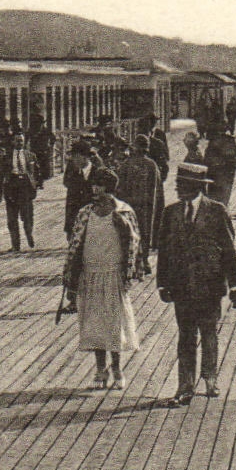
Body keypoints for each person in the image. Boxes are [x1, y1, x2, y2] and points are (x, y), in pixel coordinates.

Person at [155, 162, 236, 406]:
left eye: (182, 185)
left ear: (196, 187)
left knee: (208, 333)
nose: (178, 189)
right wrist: (162, 283)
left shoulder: (216, 211)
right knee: (185, 336)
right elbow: (164, 251)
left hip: (210, 285)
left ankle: (210, 378)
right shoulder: (170, 213)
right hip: (181, 286)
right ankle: (185, 385)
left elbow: (229, 251)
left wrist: (235, 286)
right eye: (177, 185)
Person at [62, 168, 147, 390]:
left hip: (113, 275)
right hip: (90, 274)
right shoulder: (85, 213)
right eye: (94, 185)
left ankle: (117, 367)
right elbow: (74, 245)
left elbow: (134, 245)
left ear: (110, 188)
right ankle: (100, 367)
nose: (95, 190)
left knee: (114, 322)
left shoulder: (123, 212)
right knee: (94, 322)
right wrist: (70, 275)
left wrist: (129, 273)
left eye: (99, 186)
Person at [0, 126, 43, 251]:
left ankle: (29, 234)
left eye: (21, 140)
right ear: (13, 142)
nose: (19, 143)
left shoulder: (30, 156)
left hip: (25, 189)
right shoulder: (7, 157)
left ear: (24, 141)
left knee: (27, 216)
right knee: (12, 218)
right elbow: (1, 174)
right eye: (17, 140)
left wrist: (37, 184)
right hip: (12, 187)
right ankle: (15, 245)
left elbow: (37, 171)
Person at [114, 139, 162, 254]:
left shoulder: (127, 164)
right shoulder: (152, 165)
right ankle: (144, 259)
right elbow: (158, 188)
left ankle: (135, 258)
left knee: (131, 231)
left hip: (130, 204)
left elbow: (118, 186)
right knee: (145, 232)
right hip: (146, 206)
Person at [63, 140, 96, 239]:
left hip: (94, 226)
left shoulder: (99, 173)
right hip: (77, 226)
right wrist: (69, 228)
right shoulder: (73, 175)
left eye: (76, 156)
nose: (73, 160)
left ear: (85, 157)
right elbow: (70, 204)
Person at [204, 126, 236, 205]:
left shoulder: (213, 141)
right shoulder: (230, 140)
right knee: (226, 191)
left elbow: (207, 157)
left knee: (213, 191)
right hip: (228, 172)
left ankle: (214, 208)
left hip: (214, 171)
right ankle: (223, 206)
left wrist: (205, 170)